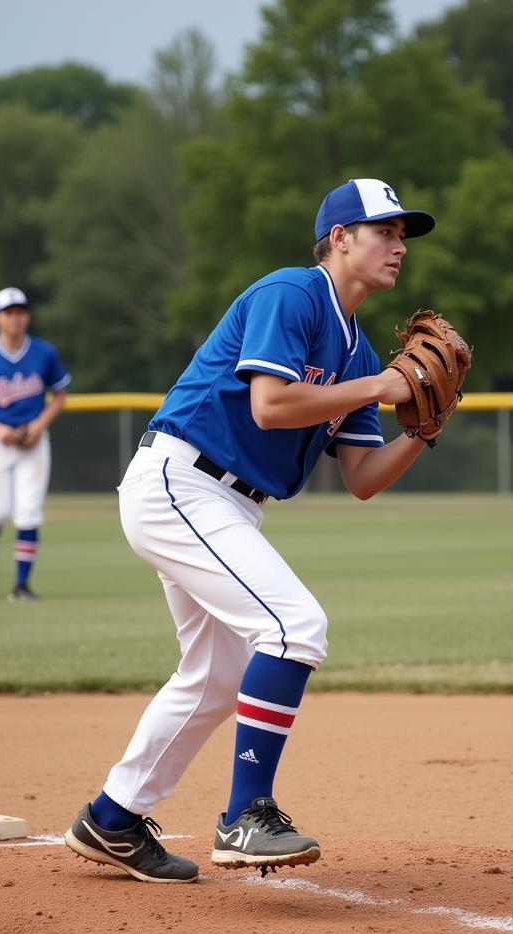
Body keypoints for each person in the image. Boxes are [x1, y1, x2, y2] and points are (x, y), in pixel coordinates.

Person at [64, 178, 437, 883]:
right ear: (339, 238)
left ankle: (111, 819)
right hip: (180, 481)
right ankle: (246, 815)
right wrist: (381, 389)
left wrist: (421, 428)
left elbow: (360, 477)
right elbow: (270, 405)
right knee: (295, 625)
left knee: (216, 674)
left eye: (402, 235)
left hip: (226, 502)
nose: (398, 246)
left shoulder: (358, 352)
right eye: (383, 230)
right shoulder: (292, 294)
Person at [0, 287, 70, 601]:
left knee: (29, 513)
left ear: (27, 316)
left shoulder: (44, 353)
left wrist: (39, 424)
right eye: (8, 313)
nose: (15, 318)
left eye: (20, 312)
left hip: (33, 441)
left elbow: (59, 395)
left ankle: (21, 585)